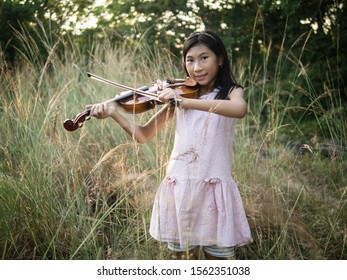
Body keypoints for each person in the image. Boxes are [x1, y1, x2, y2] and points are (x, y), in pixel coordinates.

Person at [86, 30, 252, 260]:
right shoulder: (178, 99)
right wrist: (115, 112)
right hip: (181, 187)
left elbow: (240, 109)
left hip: (214, 189)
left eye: (204, 58)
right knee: (182, 260)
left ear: (220, 59)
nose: (197, 68)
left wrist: (184, 101)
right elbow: (144, 135)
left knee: (218, 262)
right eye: (190, 60)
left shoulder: (230, 92)